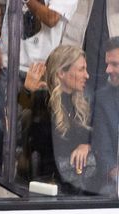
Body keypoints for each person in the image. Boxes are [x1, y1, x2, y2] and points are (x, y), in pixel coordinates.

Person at [0, 0, 78, 165]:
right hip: (6, 63)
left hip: (39, 69)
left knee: (28, 133)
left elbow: (51, 18)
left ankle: (22, 182)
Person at [26, 44, 94, 192]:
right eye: (81, 69)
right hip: (55, 186)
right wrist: (28, 93)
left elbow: (99, 136)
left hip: (82, 182)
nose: (87, 75)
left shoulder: (81, 104)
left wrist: (88, 146)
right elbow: (40, 148)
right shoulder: (43, 102)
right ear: (61, 73)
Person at [89, 37, 119, 195]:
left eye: (115, 64)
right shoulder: (102, 98)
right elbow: (103, 149)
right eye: (107, 64)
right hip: (114, 183)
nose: (108, 70)